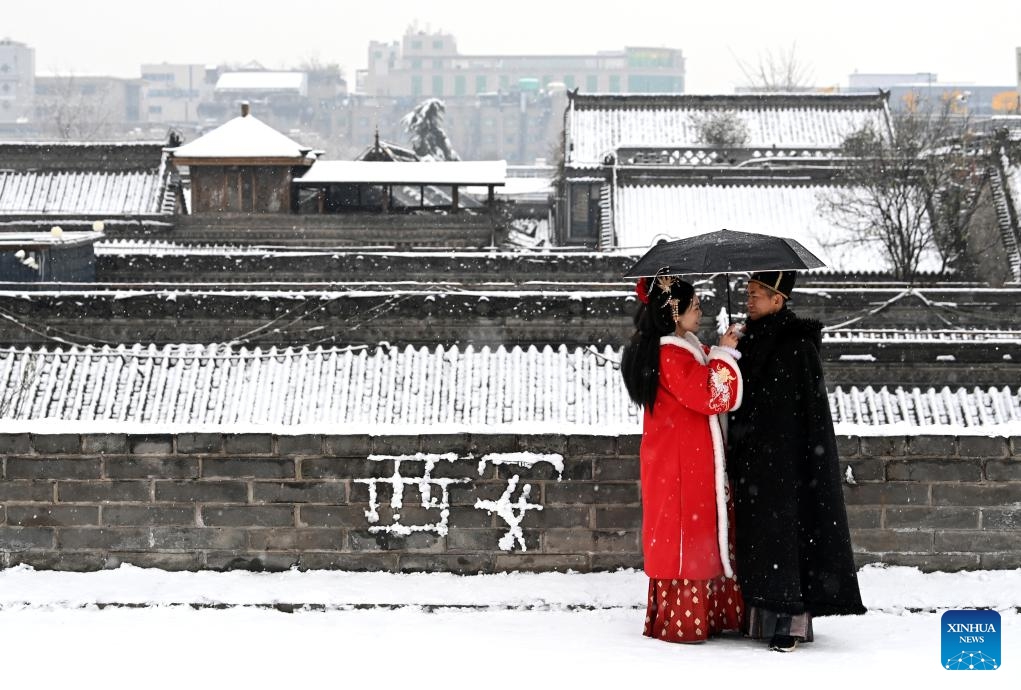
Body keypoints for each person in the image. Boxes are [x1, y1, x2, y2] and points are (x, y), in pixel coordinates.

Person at [727, 270, 866, 653]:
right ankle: (761, 617)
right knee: (760, 544)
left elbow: (810, 413)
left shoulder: (797, 346)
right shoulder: (748, 341)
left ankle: (791, 621)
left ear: (779, 299)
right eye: (749, 293)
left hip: (788, 463)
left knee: (788, 544)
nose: (750, 300)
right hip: (755, 461)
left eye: (758, 294)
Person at [621, 274, 745, 644]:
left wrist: (719, 350)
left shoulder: (678, 349)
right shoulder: (671, 355)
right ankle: (686, 620)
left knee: (689, 537)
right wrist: (723, 354)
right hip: (682, 467)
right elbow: (712, 395)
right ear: (674, 313)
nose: (700, 312)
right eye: (695, 307)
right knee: (687, 540)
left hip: (678, 462)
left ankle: (691, 616)